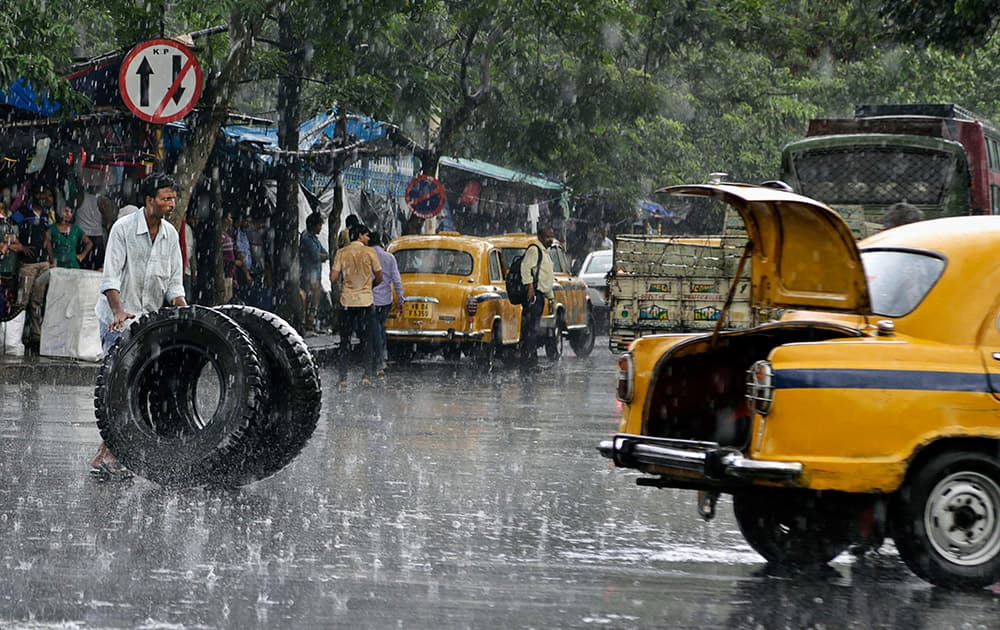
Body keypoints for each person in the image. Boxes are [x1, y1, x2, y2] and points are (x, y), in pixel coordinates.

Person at [89, 173, 187, 481]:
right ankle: (107, 454)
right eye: (166, 198)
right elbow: (110, 279)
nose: (171, 204)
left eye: (173, 198)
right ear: (149, 201)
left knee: (141, 386)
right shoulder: (123, 229)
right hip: (117, 322)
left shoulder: (171, 236)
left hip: (149, 322)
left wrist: (187, 312)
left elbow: (173, 285)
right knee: (120, 388)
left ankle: (112, 453)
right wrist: (119, 311)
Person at [330, 223, 382, 386]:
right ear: (360, 235)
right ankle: (366, 376)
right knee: (366, 340)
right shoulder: (370, 252)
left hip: (347, 302)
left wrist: (343, 286)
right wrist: (369, 286)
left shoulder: (341, 253)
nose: (368, 238)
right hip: (366, 301)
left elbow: (333, 277)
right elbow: (379, 276)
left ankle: (343, 378)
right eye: (367, 235)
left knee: (345, 340)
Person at [11, 183, 55, 351]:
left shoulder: (45, 214)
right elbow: (10, 231)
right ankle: (16, 337)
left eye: (44, 194)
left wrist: (51, 260)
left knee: (37, 301)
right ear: (33, 195)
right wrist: (21, 247)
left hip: (43, 263)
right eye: (39, 194)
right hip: (28, 264)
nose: (42, 197)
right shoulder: (22, 213)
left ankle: (36, 337)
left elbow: (47, 237)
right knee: (22, 301)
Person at [519, 225, 555, 370]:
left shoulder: (544, 252)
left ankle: (530, 361)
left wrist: (550, 297)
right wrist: (530, 287)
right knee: (530, 329)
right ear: (540, 236)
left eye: (551, 236)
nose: (550, 239)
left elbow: (545, 278)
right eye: (547, 236)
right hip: (533, 296)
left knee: (533, 329)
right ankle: (528, 362)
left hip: (540, 296)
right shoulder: (534, 250)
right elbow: (525, 268)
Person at [369, 231, 403, 379]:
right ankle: (381, 356)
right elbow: (396, 280)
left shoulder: (367, 256)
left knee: (374, 329)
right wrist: (400, 299)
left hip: (369, 299)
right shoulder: (390, 258)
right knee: (380, 327)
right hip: (385, 300)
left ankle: (378, 359)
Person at [299, 212, 328, 334]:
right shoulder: (306, 238)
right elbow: (316, 256)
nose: (320, 228)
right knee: (310, 300)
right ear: (313, 225)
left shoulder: (314, 239)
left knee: (314, 301)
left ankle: (311, 324)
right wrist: (321, 256)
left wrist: (322, 256)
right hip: (309, 275)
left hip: (315, 275)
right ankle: (308, 324)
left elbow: (325, 253)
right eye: (319, 225)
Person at [74, 188, 110, 270]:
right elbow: (107, 219)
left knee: (81, 266)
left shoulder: (80, 196)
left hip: (82, 235)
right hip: (97, 236)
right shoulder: (103, 199)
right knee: (97, 267)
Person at [0, 200, 21, 318]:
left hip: (7, 270)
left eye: (2, 209)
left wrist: (7, 245)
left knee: (6, 303)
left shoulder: (7, 227)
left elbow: (19, 246)